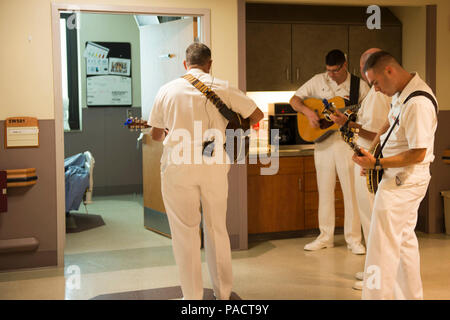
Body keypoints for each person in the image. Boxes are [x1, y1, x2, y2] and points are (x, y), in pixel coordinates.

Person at [148, 42, 263, 300]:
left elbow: (156, 135)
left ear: (185, 64)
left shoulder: (167, 90)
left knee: (185, 233)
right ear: (210, 63)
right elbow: (257, 115)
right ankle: (222, 294)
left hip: (178, 164)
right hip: (213, 159)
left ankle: (192, 298)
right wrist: (230, 123)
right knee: (216, 229)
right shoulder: (222, 86)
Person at [353, 51, 438, 299]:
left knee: (381, 247)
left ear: (389, 70)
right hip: (397, 177)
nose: (376, 90)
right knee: (403, 243)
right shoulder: (403, 93)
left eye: (376, 82)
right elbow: (388, 124)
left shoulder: (418, 102)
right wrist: (370, 153)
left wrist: (377, 163)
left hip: (404, 182)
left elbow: (418, 153)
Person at [290, 49, 369, 254]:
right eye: (328, 70)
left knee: (350, 192)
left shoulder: (359, 86)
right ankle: (325, 237)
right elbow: (295, 100)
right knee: (324, 191)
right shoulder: (318, 80)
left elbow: (367, 112)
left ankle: (354, 239)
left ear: (345, 65)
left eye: (335, 70)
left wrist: (350, 119)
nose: (331, 74)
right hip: (323, 144)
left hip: (347, 144)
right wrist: (308, 112)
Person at [329, 48, 391, 290]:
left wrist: (348, 125)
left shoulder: (377, 95)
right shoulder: (378, 94)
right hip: (367, 159)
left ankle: (376, 277)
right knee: (369, 221)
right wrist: (349, 123)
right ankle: (372, 270)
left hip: (370, 161)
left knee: (372, 220)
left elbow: (375, 133)